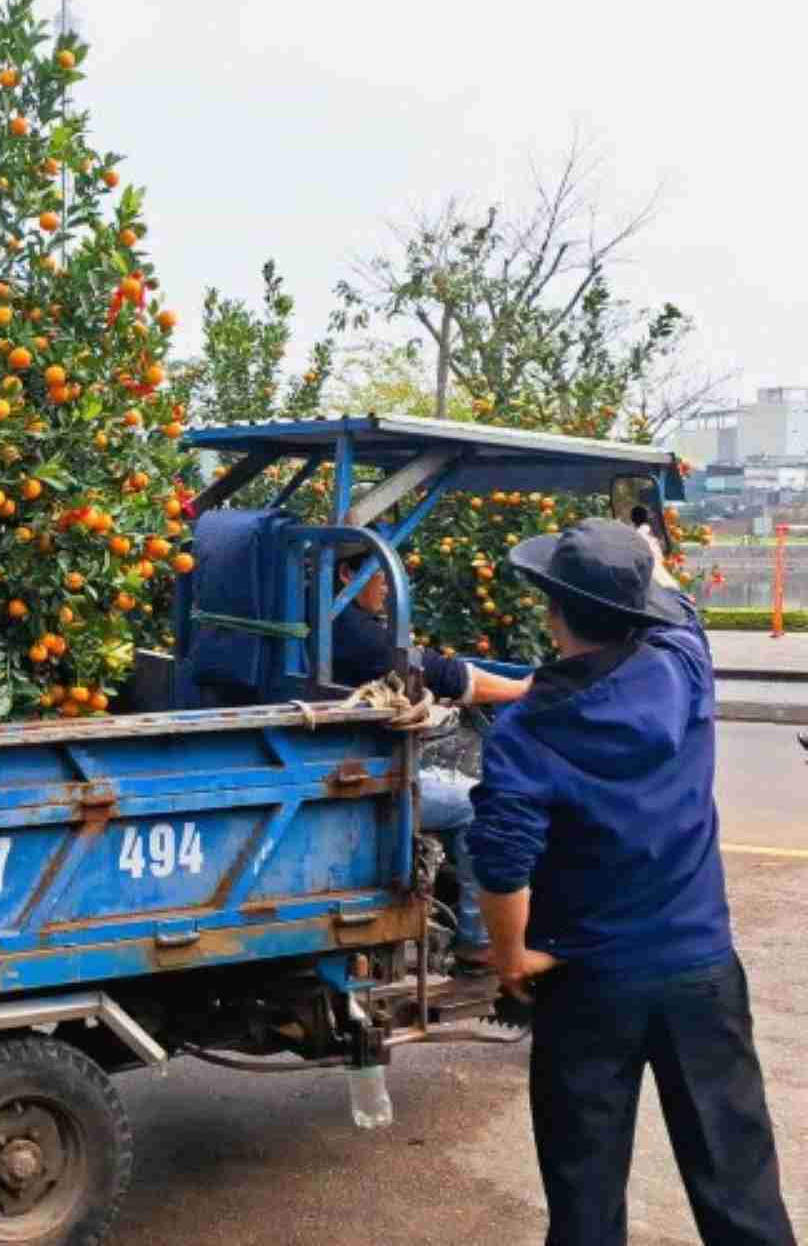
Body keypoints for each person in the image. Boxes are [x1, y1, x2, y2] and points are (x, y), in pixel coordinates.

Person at [469, 519, 795, 1246]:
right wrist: (646, 555)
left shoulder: (528, 731)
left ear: (553, 617)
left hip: (585, 984)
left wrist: (513, 957)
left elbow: (501, 860)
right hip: (701, 972)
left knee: (585, 1194)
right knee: (739, 1185)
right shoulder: (684, 664)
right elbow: (677, 604)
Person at [330, 548, 530, 970]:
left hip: (347, 761)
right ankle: (479, 941)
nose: (388, 584)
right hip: (359, 776)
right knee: (480, 804)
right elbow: (441, 675)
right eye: (381, 572)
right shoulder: (350, 631)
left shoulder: (318, 615)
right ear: (347, 573)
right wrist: (522, 689)